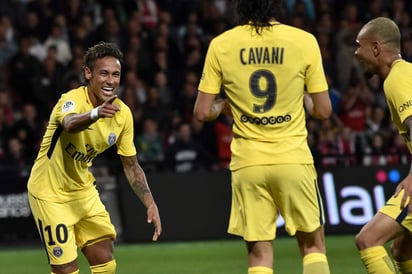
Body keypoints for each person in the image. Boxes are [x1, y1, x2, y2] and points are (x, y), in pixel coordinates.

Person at [193, 1, 332, 273]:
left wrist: (225, 104)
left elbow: (202, 112)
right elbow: (324, 111)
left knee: (259, 258)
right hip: (293, 159)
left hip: (248, 163)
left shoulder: (222, 44)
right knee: (313, 248)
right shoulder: (303, 41)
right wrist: (299, 94)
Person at [27, 41, 162, 274]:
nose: (111, 80)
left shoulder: (123, 115)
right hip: (49, 193)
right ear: (88, 73)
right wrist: (96, 113)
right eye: (104, 73)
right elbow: (69, 124)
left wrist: (150, 202)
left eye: (116, 74)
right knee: (66, 270)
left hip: (83, 192)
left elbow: (131, 166)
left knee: (106, 262)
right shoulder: (71, 100)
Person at [354, 17, 412, 274]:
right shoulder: (407, 72)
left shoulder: (396, 79)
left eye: (359, 46)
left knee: (367, 240)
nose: (356, 53)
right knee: (402, 250)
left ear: (376, 48)